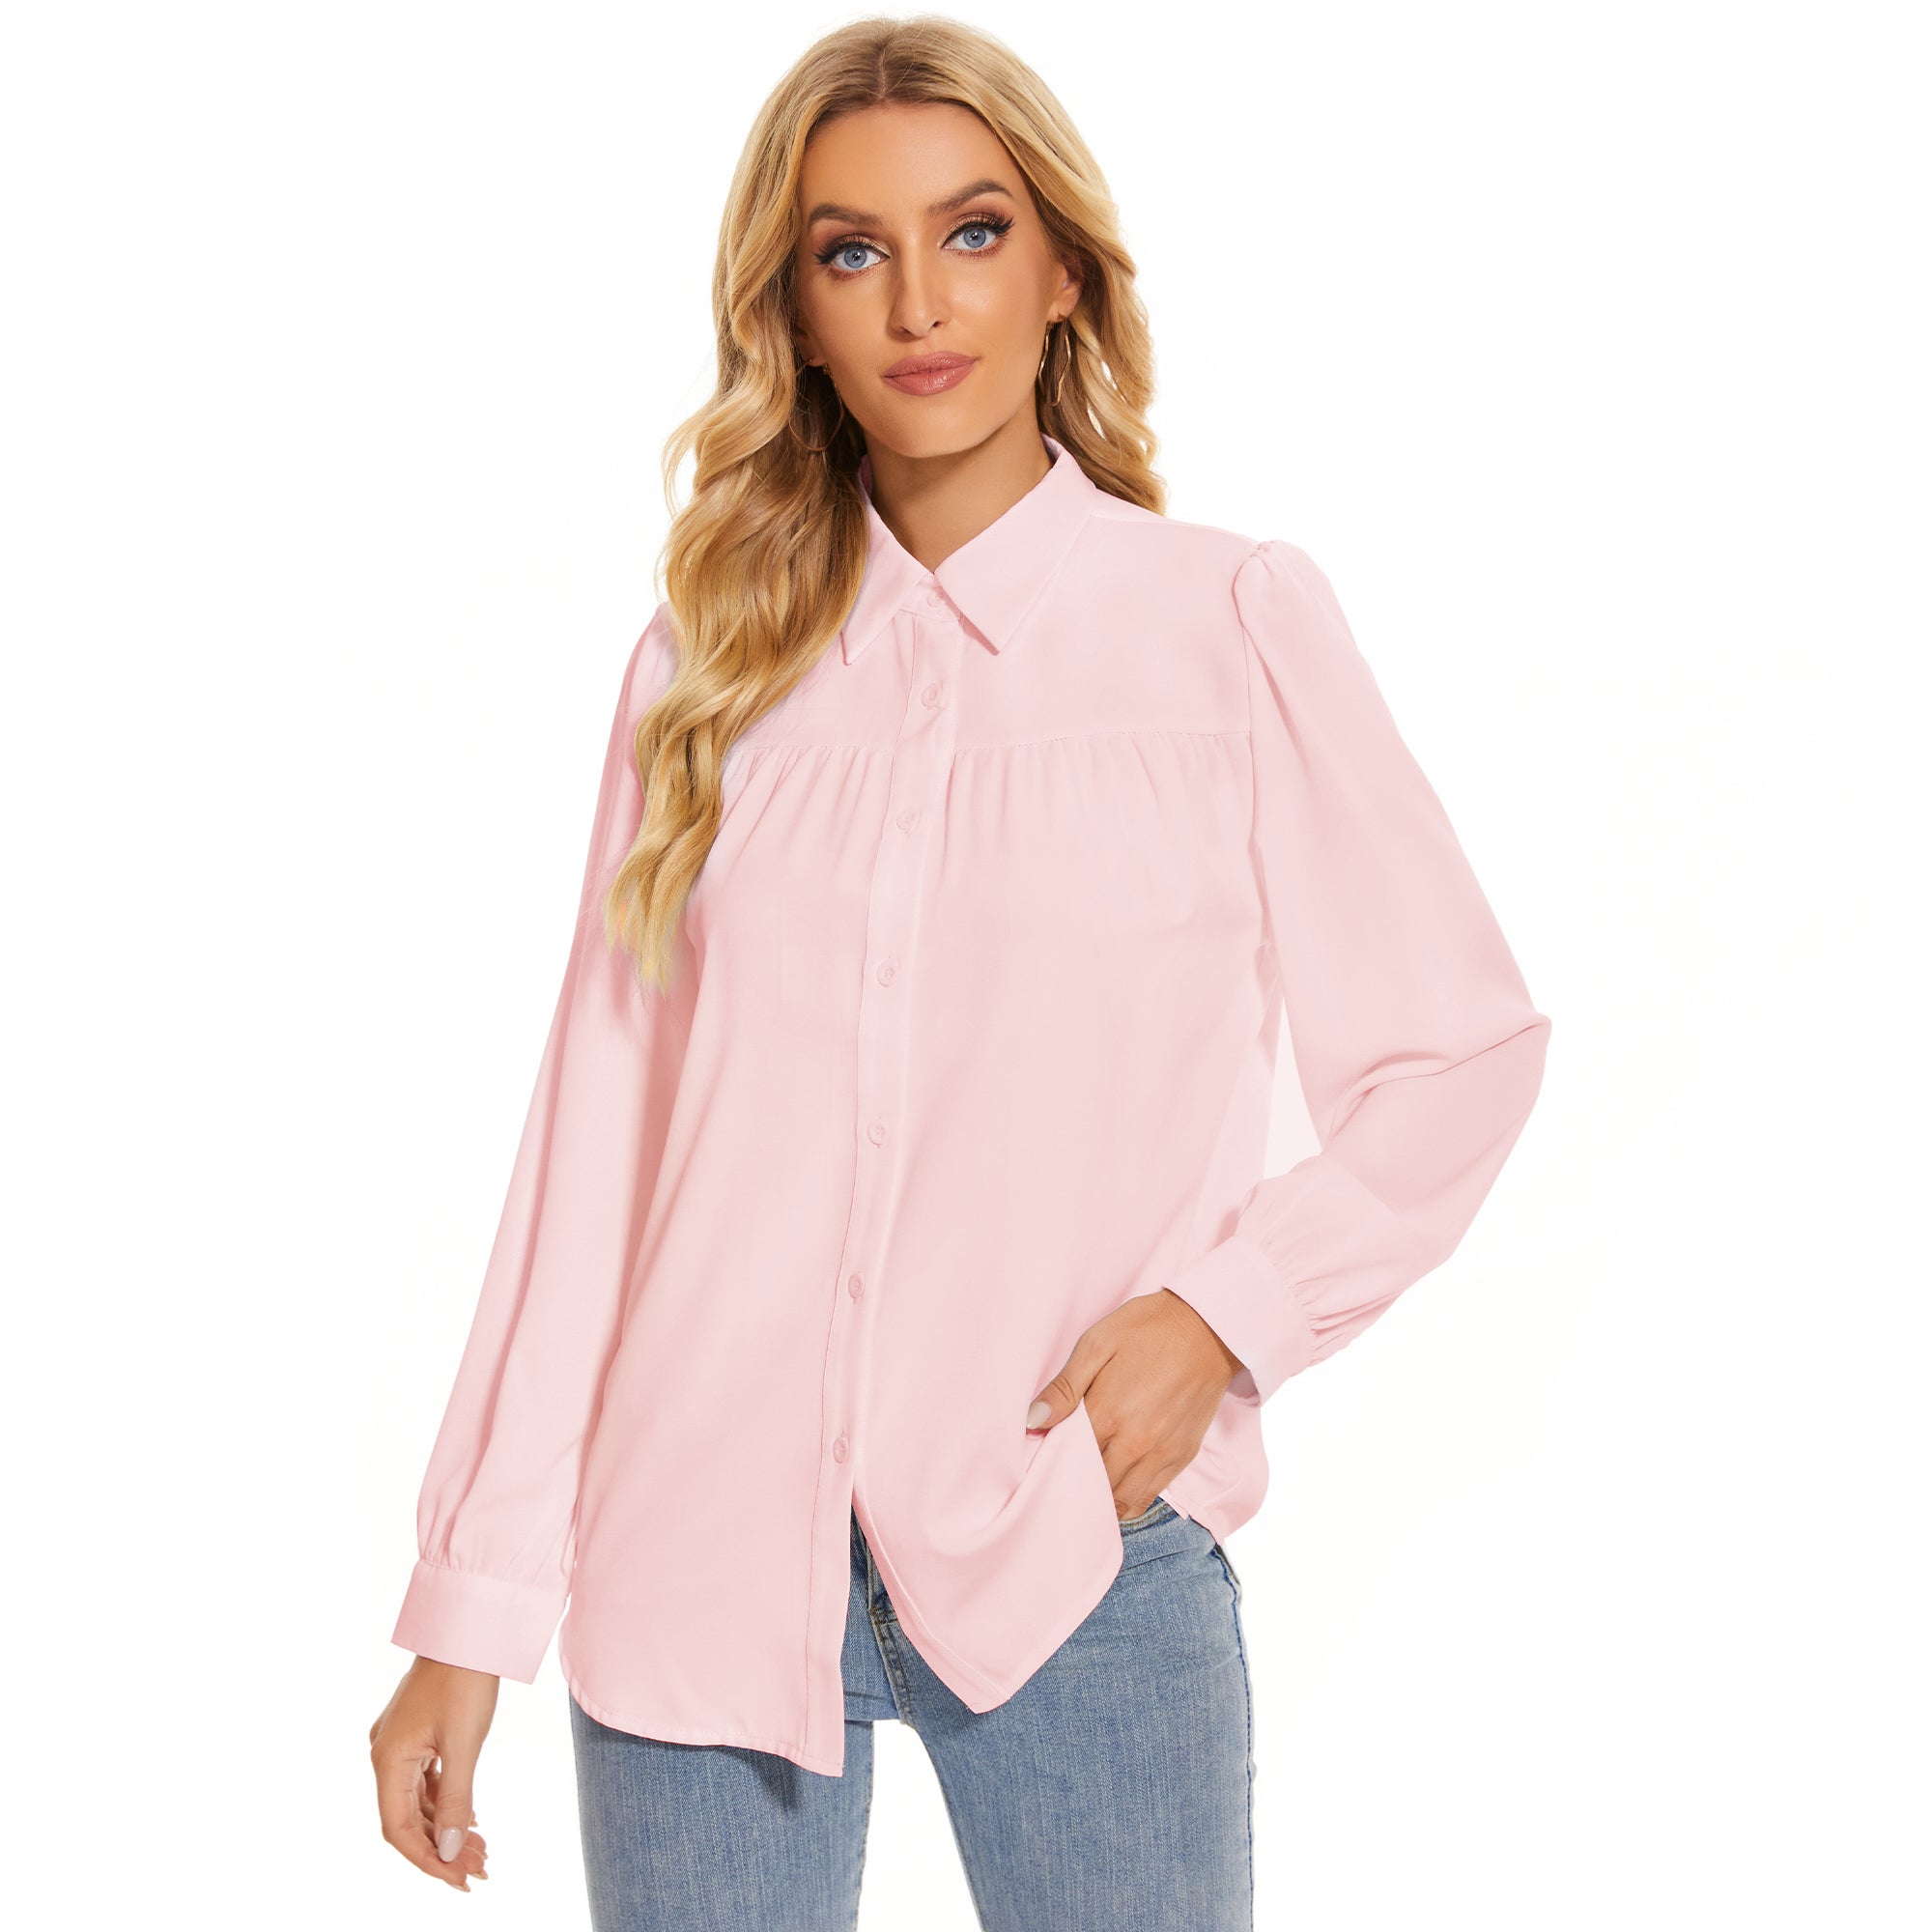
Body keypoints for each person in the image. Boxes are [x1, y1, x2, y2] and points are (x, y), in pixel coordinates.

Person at [368, 16, 1552, 1928]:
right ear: (794, 313)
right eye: (852, 252)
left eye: (974, 232)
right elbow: (591, 1165)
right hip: (694, 1557)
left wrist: (1226, 1313)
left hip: (1077, 1541)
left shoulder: (1227, 625)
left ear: (1062, 268)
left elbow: (1457, 1056)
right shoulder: (703, 672)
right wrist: (468, 1608)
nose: (920, 302)